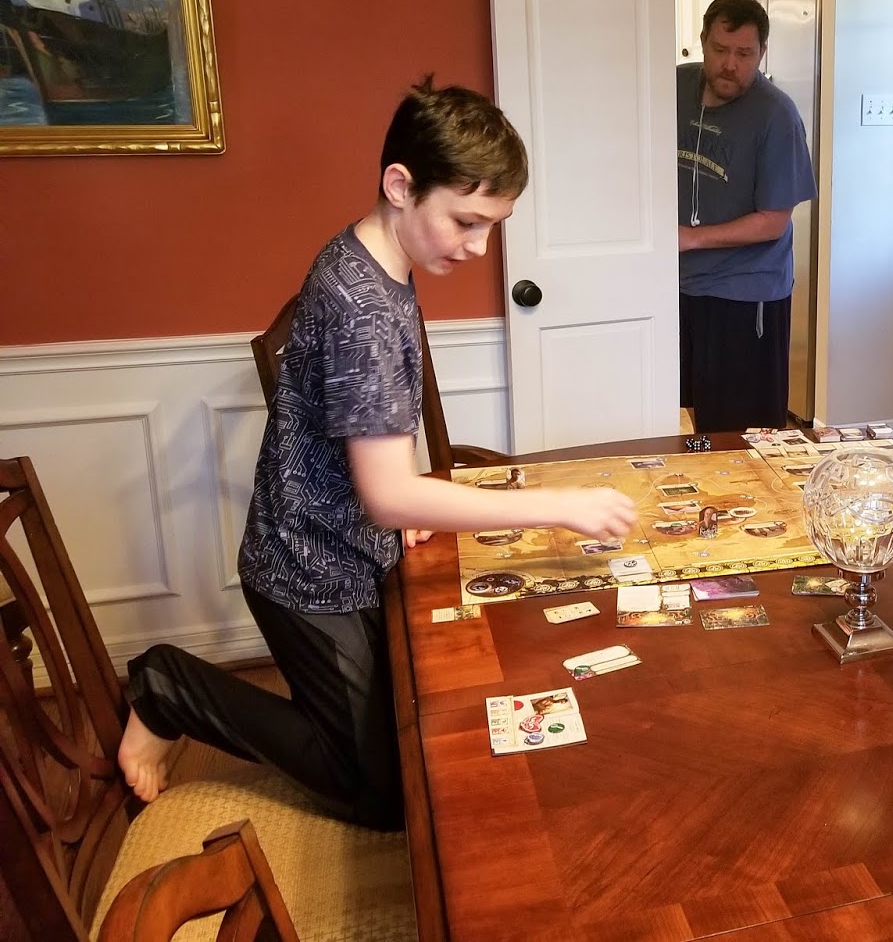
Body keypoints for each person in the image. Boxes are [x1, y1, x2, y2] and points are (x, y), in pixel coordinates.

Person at [116, 78, 638, 830]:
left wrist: (402, 493)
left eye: (494, 226)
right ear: (400, 186)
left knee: (413, 734)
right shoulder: (360, 304)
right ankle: (169, 689)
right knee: (387, 797)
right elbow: (387, 492)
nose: (480, 246)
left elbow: (375, 439)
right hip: (306, 570)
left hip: (353, 545)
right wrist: (558, 506)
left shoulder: (374, 262)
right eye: (466, 221)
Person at [677, 0, 816, 432]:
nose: (730, 65)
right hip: (675, 286)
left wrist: (689, 238)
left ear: (762, 52)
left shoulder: (777, 115)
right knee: (682, 420)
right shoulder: (673, 87)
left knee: (738, 430)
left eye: (744, 54)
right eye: (720, 50)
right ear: (703, 42)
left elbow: (773, 221)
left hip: (745, 294)